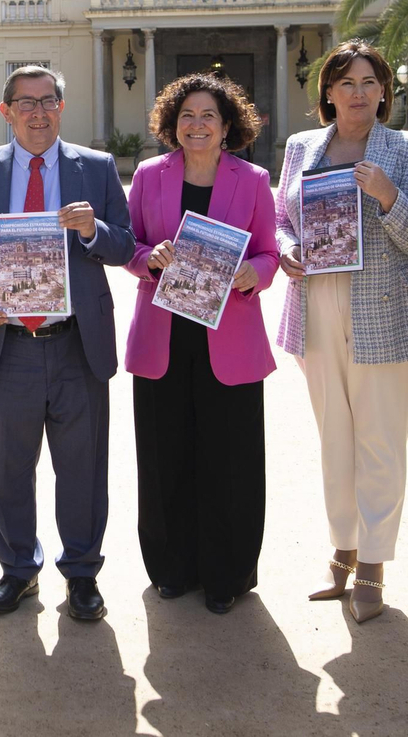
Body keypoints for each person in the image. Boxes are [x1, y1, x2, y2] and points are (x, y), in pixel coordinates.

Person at [0, 65, 135, 621]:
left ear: (61, 107)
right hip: (5, 347)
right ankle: (18, 570)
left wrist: (94, 230)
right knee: (7, 469)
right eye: (26, 102)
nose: (38, 112)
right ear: (7, 112)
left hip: (77, 345)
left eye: (48, 101)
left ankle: (82, 574)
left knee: (83, 469)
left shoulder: (95, 168)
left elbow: (126, 246)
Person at [274, 42, 408, 623]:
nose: (359, 93)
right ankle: (341, 550)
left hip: (386, 309)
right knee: (334, 438)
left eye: (370, 82)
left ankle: (373, 563)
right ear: (328, 91)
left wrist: (388, 196)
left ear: (384, 91)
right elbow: (281, 217)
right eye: (347, 82)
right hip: (316, 303)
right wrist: (288, 249)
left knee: (379, 443)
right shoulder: (302, 147)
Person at [123, 73, 280, 615]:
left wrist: (253, 274)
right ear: (173, 123)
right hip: (162, 337)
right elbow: (129, 245)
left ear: (227, 124)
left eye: (208, 115)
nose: (197, 124)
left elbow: (269, 253)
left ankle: (226, 574)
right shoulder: (149, 175)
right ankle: (171, 568)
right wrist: (148, 259)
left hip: (230, 339)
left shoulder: (253, 179)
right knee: (164, 456)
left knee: (230, 461)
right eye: (187, 115)